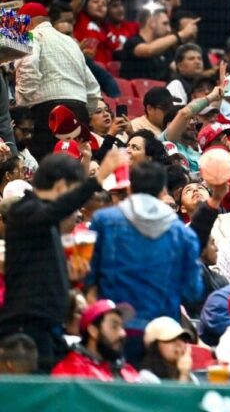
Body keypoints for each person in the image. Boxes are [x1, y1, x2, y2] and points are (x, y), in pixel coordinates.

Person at [0, 151, 122, 372]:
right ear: (60, 187)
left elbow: (37, 272)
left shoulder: (44, 220)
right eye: (72, 193)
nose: (73, 206)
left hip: (47, 326)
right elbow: (56, 210)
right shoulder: (24, 211)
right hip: (25, 328)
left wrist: (69, 279)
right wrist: (97, 178)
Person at [88, 161, 202, 365]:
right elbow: (193, 291)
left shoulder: (104, 221)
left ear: (130, 187)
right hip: (163, 336)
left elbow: (88, 277)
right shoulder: (184, 235)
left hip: (112, 331)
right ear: (162, 191)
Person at [15, 2, 101, 160]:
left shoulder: (30, 35)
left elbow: (28, 68)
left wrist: (22, 105)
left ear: (28, 22)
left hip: (47, 112)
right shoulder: (71, 43)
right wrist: (83, 116)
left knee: (48, 168)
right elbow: (92, 87)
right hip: (78, 110)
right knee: (77, 167)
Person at [51, 300, 140, 382]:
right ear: (93, 331)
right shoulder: (70, 371)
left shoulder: (128, 370)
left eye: (122, 327)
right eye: (114, 326)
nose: (123, 333)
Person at [120, 7, 198, 81]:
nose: (169, 29)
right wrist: (182, 34)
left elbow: (177, 68)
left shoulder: (164, 50)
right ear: (152, 23)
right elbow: (148, 50)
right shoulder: (132, 42)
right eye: (165, 24)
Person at [138, 317, 195, 383]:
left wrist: (185, 373)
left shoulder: (191, 376)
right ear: (155, 346)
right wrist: (184, 375)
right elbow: (178, 393)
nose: (179, 344)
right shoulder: (146, 377)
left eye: (183, 339)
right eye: (171, 339)